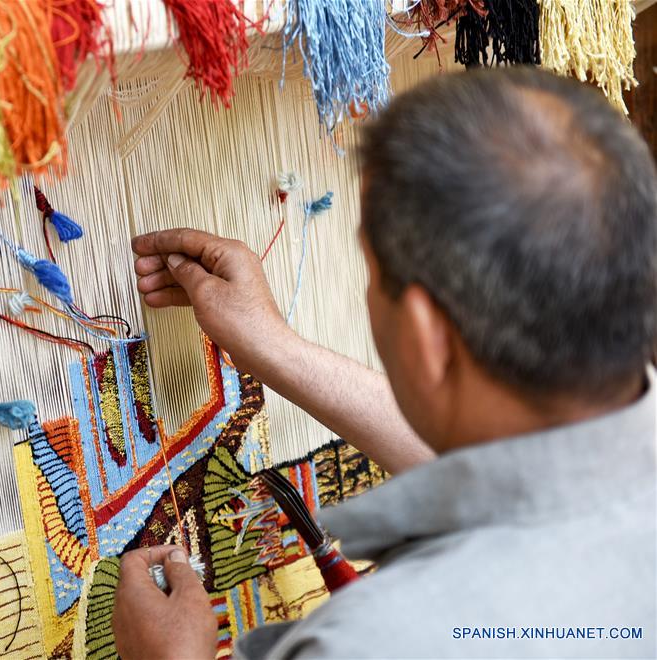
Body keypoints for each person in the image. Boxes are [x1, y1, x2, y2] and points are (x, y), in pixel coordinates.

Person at [111, 67, 657, 659]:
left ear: (426, 334)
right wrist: (274, 346)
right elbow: (529, 476)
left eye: (369, 275)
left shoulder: (368, 643)